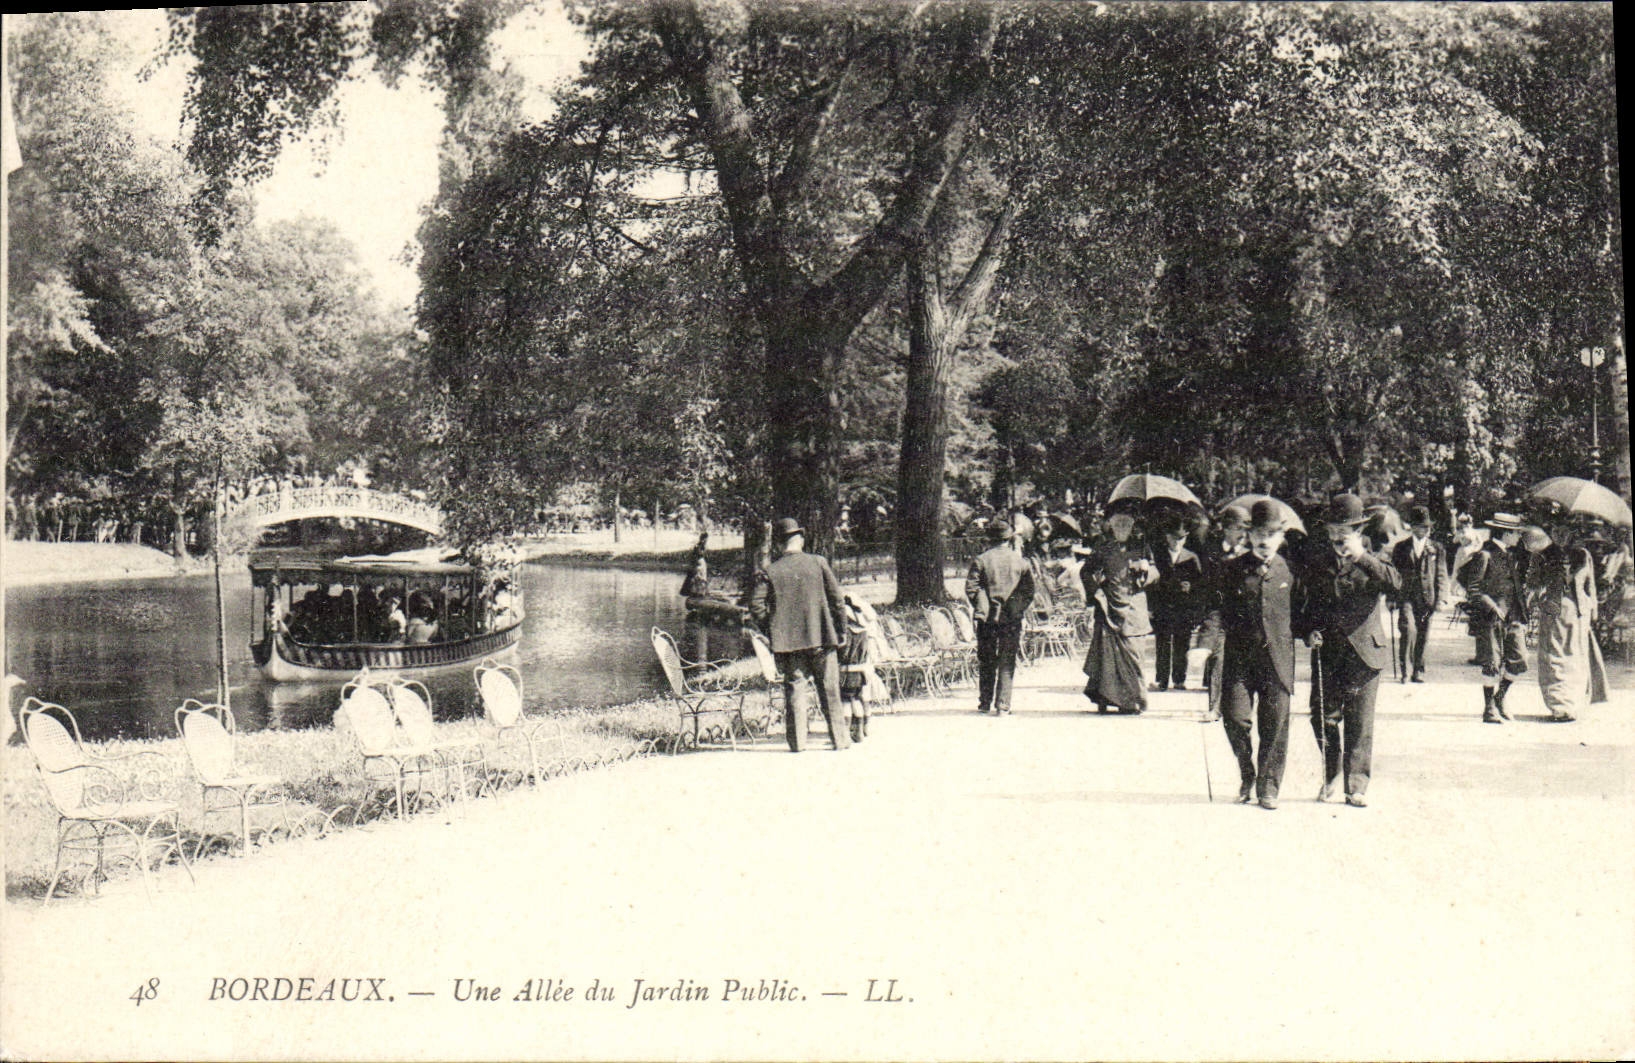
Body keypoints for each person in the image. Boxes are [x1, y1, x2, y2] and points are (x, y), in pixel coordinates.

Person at [1301, 493, 1402, 807]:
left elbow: (1397, 584)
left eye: (1343, 531)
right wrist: (1309, 629)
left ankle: (1355, 785)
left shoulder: (1376, 557)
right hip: (1329, 650)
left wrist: (1361, 557)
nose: (1336, 538)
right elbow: (1308, 603)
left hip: (1364, 652)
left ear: (1359, 531)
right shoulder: (1318, 559)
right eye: (1332, 531)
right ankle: (1331, 771)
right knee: (1322, 718)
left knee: (1359, 722)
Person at [1213, 500, 1301, 809]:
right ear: (1249, 536)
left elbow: (1306, 610)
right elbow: (1216, 610)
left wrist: (1316, 630)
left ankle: (1268, 786)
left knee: (1275, 724)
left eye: (1272, 534)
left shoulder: (1291, 569)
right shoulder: (1231, 569)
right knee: (1236, 719)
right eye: (1259, 533)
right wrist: (1204, 643)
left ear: (1281, 537)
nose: (1265, 540)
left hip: (1278, 661)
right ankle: (1247, 771)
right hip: (1240, 659)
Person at [748, 517, 851, 752]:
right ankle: (840, 740)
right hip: (822, 638)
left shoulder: (771, 571)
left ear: (778, 545)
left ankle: (797, 744)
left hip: (789, 642)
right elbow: (837, 600)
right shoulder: (818, 562)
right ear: (801, 540)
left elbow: (756, 606)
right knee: (830, 690)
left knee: (795, 689)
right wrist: (841, 630)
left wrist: (773, 628)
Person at [1080, 498, 1158, 714]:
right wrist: (1096, 591)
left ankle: (1133, 701)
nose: (1122, 527)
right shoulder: (1103, 547)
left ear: (1133, 526)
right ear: (1111, 525)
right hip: (1109, 609)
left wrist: (1146, 570)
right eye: (1118, 524)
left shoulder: (1142, 547)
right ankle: (1106, 697)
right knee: (1106, 657)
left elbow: (1156, 572)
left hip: (1134, 610)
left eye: (1126, 524)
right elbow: (1086, 571)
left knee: (1134, 656)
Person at [1526, 508, 1604, 723]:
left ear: (1572, 533)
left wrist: (1593, 608)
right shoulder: (1542, 555)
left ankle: (1573, 702)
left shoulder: (1582, 555)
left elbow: (1590, 585)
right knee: (1554, 657)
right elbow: (1532, 583)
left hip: (1579, 613)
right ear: (1551, 532)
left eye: (1566, 531)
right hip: (1553, 612)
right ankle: (1559, 705)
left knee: (1575, 657)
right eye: (1557, 531)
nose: (1561, 535)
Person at [965, 519, 1036, 716]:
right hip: (1011, 618)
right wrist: (1017, 608)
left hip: (987, 619)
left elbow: (971, 588)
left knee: (986, 659)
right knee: (1007, 660)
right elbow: (1029, 591)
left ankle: (985, 703)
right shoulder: (1021, 562)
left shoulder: (981, 560)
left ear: (990, 539)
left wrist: (982, 606)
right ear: (1009, 538)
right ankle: (1003, 705)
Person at [1464, 511, 1530, 723]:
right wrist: (1492, 608)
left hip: (1513, 616)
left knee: (1520, 659)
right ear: (1505, 533)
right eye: (1516, 533)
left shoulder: (1510, 555)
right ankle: (1489, 709)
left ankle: (1499, 697)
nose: (1519, 537)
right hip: (1491, 618)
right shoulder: (1485, 554)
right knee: (1492, 663)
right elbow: (1473, 588)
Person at [1197, 503, 1251, 722]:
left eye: (1246, 529)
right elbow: (1207, 584)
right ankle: (1214, 707)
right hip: (1218, 614)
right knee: (1217, 660)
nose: (1242, 534)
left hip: (1242, 616)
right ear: (1227, 529)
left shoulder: (1250, 554)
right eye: (1238, 528)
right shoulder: (1211, 552)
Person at [1390, 504, 1448, 683]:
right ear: (1412, 527)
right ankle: (1404, 670)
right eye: (1420, 526)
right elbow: (1393, 574)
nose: (1424, 530)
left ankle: (1418, 669)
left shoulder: (1437, 548)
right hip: (1406, 596)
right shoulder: (1401, 547)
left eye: (1426, 527)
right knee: (1407, 630)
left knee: (1423, 634)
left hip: (1427, 598)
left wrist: (1441, 599)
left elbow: (1441, 574)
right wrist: (1391, 598)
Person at [1148, 510, 1204, 692]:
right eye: (1173, 537)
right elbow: (1150, 583)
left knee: (1182, 643)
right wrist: (1151, 606)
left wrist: (1191, 592)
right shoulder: (1158, 555)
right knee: (1162, 643)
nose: (1177, 542)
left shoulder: (1191, 557)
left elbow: (1199, 584)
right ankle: (1161, 679)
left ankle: (1179, 679)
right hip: (1163, 606)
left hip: (1183, 607)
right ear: (1167, 537)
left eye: (1180, 538)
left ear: (1185, 538)